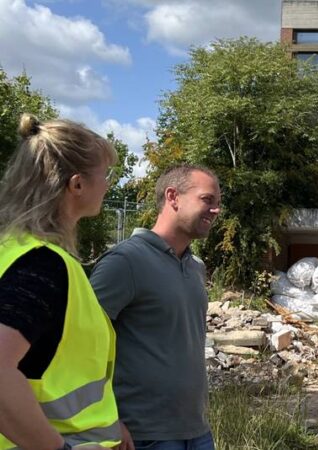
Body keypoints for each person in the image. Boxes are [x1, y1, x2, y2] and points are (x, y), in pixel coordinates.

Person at [0, 114, 120, 449]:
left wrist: (113, 424)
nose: (109, 185)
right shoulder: (42, 266)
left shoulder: (12, 250)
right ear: (77, 184)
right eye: (105, 175)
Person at [90, 165, 221, 450]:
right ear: (173, 197)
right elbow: (82, 346)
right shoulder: (124, 262)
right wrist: (107, 419)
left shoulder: (195, 267)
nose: (216, 210)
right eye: (207, 200)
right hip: (143, 435)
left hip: (196, 431)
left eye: (218, 203)